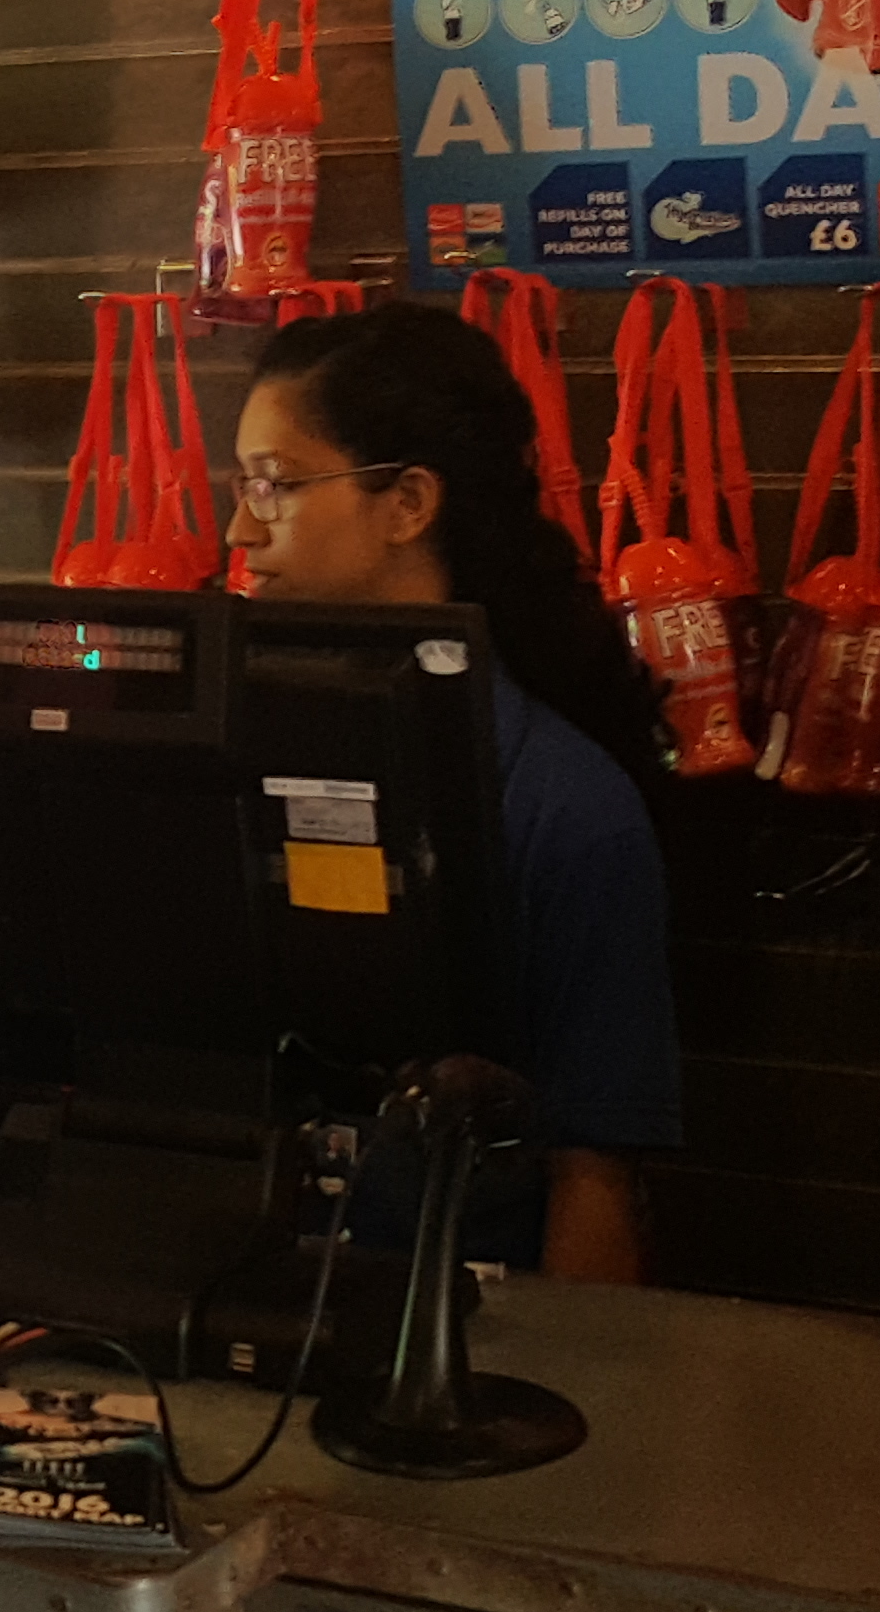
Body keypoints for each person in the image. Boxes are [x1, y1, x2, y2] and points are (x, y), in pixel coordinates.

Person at [230, 303, 684, 1280]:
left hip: (463, 1325)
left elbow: (595, 1182)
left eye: (274, 486)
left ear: (406, 504)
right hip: (242, 1287)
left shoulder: (565, 808)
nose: (240, 528)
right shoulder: (232, 756)